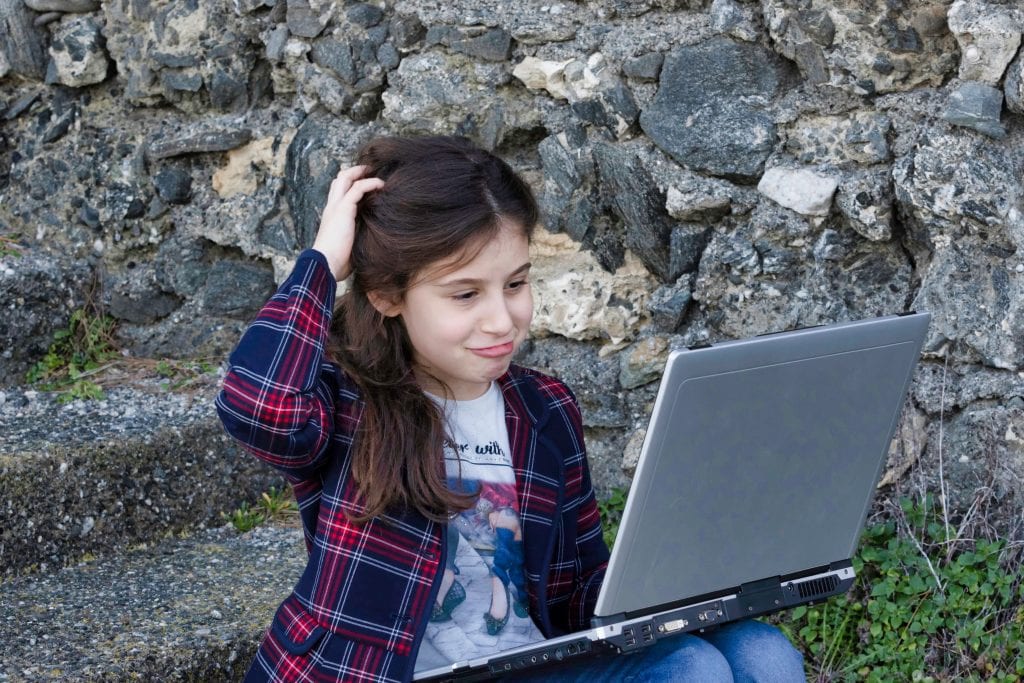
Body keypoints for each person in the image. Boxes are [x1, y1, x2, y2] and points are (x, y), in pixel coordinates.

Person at [216, 135, 805, 682]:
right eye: (466, 294)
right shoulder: (347, 401)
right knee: (691, 673)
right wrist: (322, 262)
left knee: (762, 653)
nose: (502, 320)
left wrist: (684, 582)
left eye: (516, 284)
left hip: (527, 663)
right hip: (381, 672)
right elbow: (259, 405)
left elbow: (577, 589)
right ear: (388, 296)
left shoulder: (544, 408)